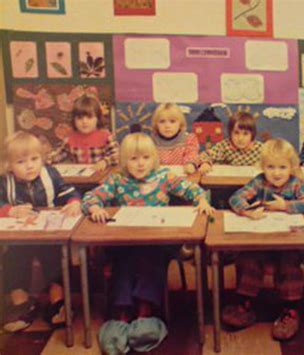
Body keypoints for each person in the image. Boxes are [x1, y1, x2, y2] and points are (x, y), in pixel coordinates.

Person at [82, 132, 214, 354]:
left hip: (158, 242)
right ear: (124, 160)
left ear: (154, 158)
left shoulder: (164, 176)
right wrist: (95, 208)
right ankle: (121, 313)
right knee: (124, 261)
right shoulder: (117, 180)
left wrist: (201, 200)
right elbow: (90, 197)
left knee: (149, 257)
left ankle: (146, 310)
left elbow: (194, 190)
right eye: (133, 159)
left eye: (145, 158)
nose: (140, 164)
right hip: (124, 241)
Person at [222, 138, 304, 341]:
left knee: (289, 264)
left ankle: (290, 310)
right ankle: (245, 303)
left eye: (282, 167)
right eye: (271, 167)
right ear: (263, 167)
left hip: (289, 241)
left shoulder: (295, 184)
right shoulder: (259, 181)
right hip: (262, 237)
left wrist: (285, 206)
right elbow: (235, 198)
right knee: (248, 259)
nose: (276, 172)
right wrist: (247, 211)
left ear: (291, 167)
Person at [0, 131, 81, 332]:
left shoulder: (50, 174)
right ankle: (22, 303)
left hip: (49, 235)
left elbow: (67, 191)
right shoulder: (4, 181)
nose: (30, 166)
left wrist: (73, 202)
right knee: (14, 260)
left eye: (35, 159)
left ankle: (58, 302)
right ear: (9, 165)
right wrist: (10, 210)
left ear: (42, 159)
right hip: (19, 237)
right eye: (21, 162)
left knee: (56, 259)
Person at [47, 95, 119, 172]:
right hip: (80, 178)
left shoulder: (105, 135)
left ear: (98, 119)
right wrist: (47, 160)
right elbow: (58, 154)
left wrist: (105, 161)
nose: (84, 122)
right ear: (74, 120)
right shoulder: (70, 138)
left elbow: (118, 155)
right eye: (79, 118)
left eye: (89, 117)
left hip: (102, 177)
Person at [151, 103, 200, 174]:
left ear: (180, 124)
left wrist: (190, 164)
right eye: (162, 121)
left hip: (182, 176)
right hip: (158, 178)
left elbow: (192, 154)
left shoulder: (188, 139)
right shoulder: (151, 142)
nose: (167, 126)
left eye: (172, 121)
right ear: (156, 124)